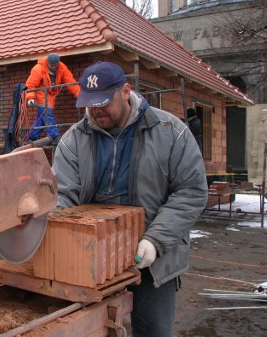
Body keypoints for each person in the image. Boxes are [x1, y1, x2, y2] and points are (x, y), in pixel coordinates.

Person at [52, 61, 207, 337]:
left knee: (152, 331)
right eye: (90, 104)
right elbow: (63, 196)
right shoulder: (73, 141)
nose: (96, 111)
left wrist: (156, 240)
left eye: (103, 102)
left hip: (151, 262)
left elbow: (191, 191)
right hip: (90, 261)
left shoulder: (171, 132)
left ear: (125, 91)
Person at [25, 53, 80, 143]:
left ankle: (30, 137)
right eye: (51, 65)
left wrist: (80, 95)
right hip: (40, 93)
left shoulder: (62, 68)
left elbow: (71, 82)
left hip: (50, 95)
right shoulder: (38, 69)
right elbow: (31, 84)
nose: (54, 67)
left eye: (55, 65)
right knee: (47, 113)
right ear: (47, 63)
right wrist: (30, 97)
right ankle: (55, 136)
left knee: (42, 118)